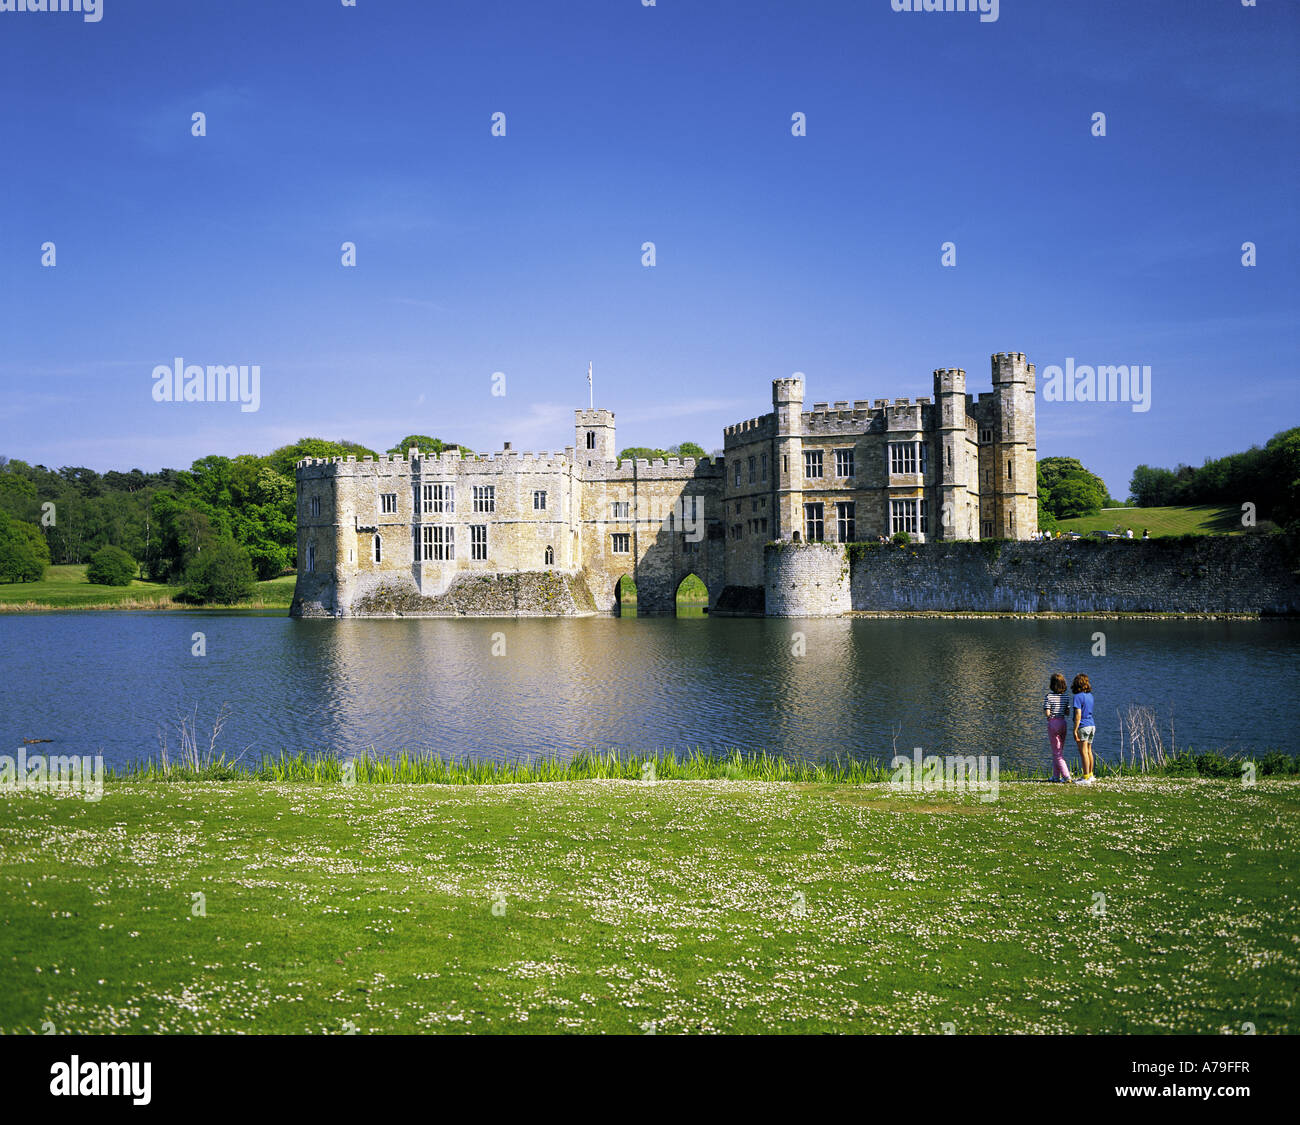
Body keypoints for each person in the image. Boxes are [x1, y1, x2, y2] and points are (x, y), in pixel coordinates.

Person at [1043, 673, 1072, 783]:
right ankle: (1056, 776)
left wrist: (1050, 716)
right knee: (1059, 751)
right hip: (1063, 723)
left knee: (1056, 752)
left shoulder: (1049, 696)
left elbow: (1047, 712)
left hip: (1053, 724)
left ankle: (1066, 776)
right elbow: (1068, 712)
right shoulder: (1066, 697)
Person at [1071, 673, 1097, 785]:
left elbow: (1078, 714)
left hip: (1083, 726)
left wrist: (1075, 729)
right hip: (1092, 725)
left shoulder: (1077, 697)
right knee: (1089, 751)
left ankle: (1085, 777)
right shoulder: (1090, 696)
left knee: (1083, 752)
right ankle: (1090, 775)